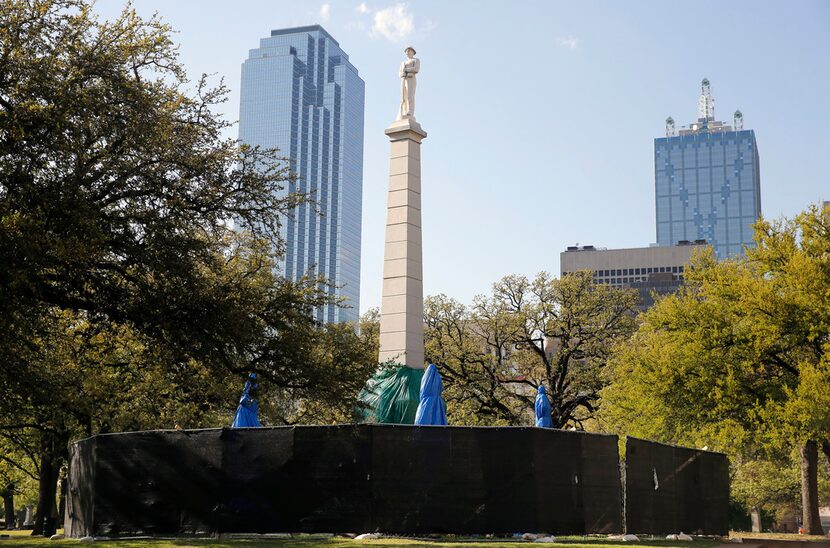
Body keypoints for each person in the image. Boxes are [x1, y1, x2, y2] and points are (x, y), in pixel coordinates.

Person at [398, 46, 420, 119]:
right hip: (404, 79)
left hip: (411, 78)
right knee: (403, 97)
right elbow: (400, 72)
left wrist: (407, 70)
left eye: (409, 50)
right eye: (407, 51)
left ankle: (410, 111)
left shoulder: (416, 60)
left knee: (410, 96)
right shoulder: (403, 63)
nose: (408, 52)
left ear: (413, 52)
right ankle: (404, 111)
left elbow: (416, 69)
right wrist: (402, 73)